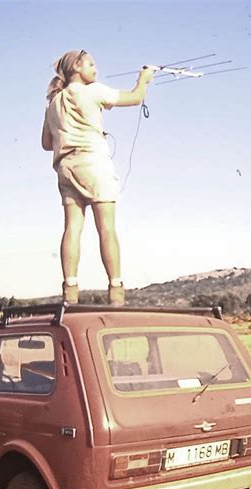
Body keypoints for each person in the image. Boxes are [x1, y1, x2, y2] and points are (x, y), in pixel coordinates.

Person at [42, 50, 154, 305]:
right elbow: (136, 98)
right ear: (77, 67)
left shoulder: (53, 102)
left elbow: (47, 143)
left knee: (72, 228)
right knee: (107, 228)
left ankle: (70, 289)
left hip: (66, 168)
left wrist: (67, 130)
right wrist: (144, 78)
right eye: (91, 64)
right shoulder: (93, 91)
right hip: (94, 164)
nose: (96, 69)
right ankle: (116, 290)